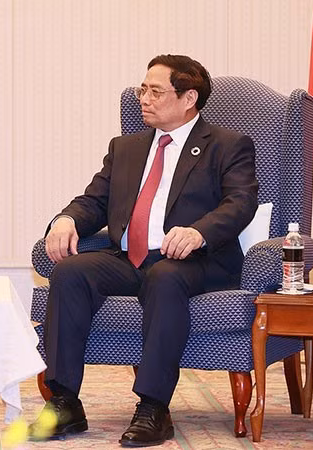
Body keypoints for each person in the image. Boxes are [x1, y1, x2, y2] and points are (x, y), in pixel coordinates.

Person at [28, 55, 258, 447]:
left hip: (194, 261)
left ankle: (153, 408)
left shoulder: (227, 145)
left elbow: (240, 203)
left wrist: (199, 232)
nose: (144, 99)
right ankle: (64, 403)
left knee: (164, 277)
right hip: (128, 259)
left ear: (188, 98)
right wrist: (66, 219)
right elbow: (94, 201)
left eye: (155, 91)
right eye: (142, 89)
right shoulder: (126, 147)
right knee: (70, 272)